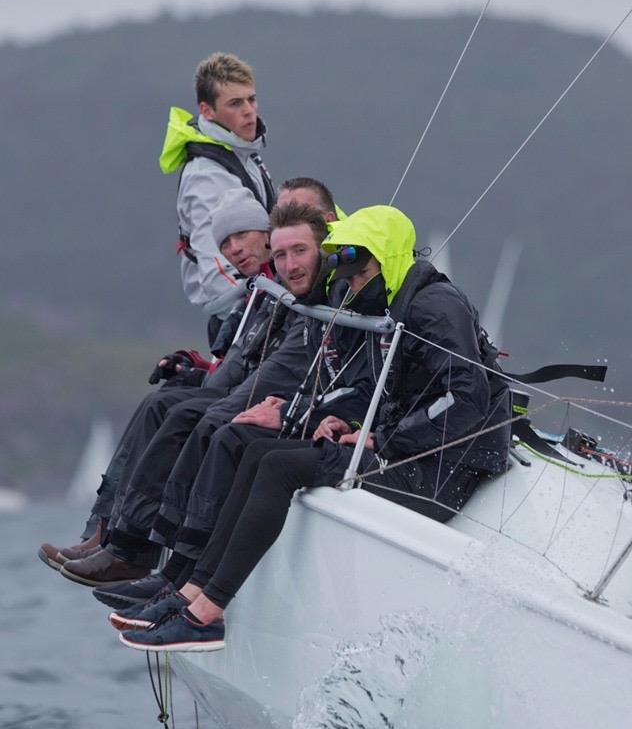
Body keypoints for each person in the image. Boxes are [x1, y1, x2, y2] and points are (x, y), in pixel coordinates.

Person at [117, 205, 512, 651]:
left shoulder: (432, 307)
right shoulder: (391, 299)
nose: (353, 287)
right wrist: (346, 419)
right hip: (411, 448)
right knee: (257, 452)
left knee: (278, 468)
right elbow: (379, 389)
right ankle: (192, 594)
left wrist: (383, 436)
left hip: (445, 468)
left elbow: (467, 398)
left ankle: (207, 613)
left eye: (360, 277)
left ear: (383, 260)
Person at [39, 179, 337, 578]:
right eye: (226, 242)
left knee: (194, 418)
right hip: (248, 391)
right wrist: (196, 373)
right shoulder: (269, 288)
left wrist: (223, 401)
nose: (235, 249)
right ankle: (108, 530)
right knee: (161, 402)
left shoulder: (319, 287)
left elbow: (281, 367)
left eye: (243, 236)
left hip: (285, 407)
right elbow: (241, 360)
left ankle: (150, 556)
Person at [160, 51, 275, 325]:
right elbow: (216, 272)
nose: (248, 111)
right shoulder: (206, 177)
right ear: (207, 111)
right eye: (235, 103)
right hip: (241, 320)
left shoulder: (243, 153)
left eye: (251, 99)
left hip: (266, 293)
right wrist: (259, 321)